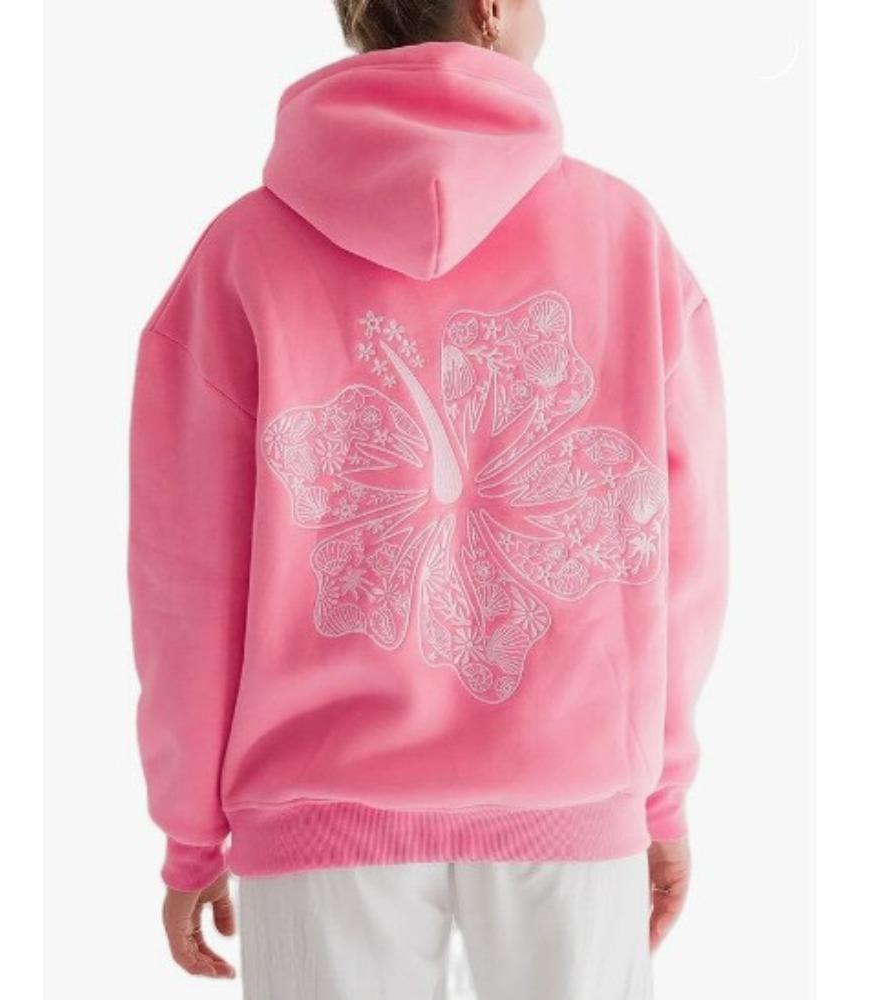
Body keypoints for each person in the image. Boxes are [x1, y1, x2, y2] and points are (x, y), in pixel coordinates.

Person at [128, 1, 729, 996]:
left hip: (319, 808)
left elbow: (183, 575)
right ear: (491, 8)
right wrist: (660, 791)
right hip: (570, 791)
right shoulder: (623, 236)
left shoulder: (238, 255)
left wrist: (190, 834)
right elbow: (684, 545)